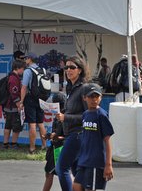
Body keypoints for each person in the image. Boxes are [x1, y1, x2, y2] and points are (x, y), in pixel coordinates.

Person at [54, 56, 90, 191]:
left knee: (61, 168)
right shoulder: (70, 87)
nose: (68, 70)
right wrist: (57, 131)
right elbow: (68, 112)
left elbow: (87, 115)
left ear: (79, 70)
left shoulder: (84, 89)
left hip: (78, 134)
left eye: (72, 67)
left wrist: (66, 117)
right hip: (70, 134)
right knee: (76, 172)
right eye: (66, 67)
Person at [73, 84, 114, 191]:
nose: (94, 99)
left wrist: (108, 164)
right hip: (84, 160)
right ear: (84, 98)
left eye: (97, 96)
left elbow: (108, 141)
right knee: (76, 186)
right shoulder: (85, 114)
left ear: (101, 98)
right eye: (91, 96)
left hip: (96, 162)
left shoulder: (102, 115)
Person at [20, 54, 48, 154]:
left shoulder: (28, 71)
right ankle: (44, 146)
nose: (25, 60)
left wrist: (21, 101)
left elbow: (24, 87)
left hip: (31, 99)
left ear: (30, 60)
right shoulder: (43, 70)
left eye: (26, 58)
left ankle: (32, 148)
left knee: (32, 124)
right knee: (41, 123)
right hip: (41, 99)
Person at [42, 92, 66, 191]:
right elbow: (55, 132)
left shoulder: (65, 116)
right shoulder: (56, 116)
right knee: (49, 173)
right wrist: (49, 136)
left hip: (61, 149)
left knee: (63, 175)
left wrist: (56, 137)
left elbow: (67, 136)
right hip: (53, 148)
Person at [3, 59, 25, 149]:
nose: (23, 71)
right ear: (17, 68)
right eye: (22, 69)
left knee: (7, 126)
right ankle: (13, 144)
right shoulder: (14, 79)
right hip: (13, 107)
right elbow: (14, 94)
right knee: (16, 126)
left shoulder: (10, 77)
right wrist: (19, 105)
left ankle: (5, 144)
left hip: (8, 107)